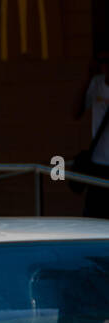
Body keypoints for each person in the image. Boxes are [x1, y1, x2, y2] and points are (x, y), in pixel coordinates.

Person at [74, 51, 109, 218]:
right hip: (98, 162)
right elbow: (75, 112)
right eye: (102, 61)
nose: (106, 66)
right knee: (94, 216)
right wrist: (88, 77)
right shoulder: (96, 84)